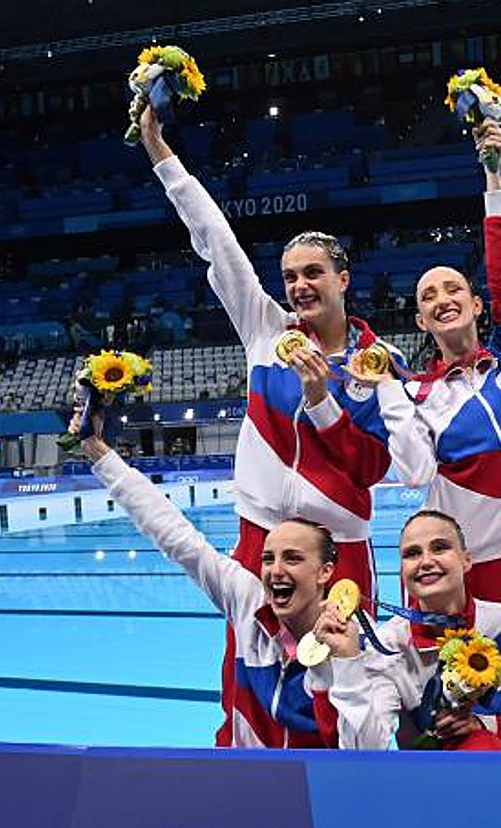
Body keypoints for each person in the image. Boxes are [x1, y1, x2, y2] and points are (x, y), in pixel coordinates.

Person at [137, 106, 419, 744]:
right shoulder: (266, 334)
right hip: (259, 540)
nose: (299, 286)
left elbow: (376, 466)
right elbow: (217, 246)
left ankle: (342, 784)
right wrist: (161, 152)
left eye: (313, 273)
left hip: (340, 551)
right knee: (245, 676)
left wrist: (324, 401)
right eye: (290, 276)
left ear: (343, 279)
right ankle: (241, 769)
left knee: (347, 678)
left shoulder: (380, 364)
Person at [80, 420, 345, 747]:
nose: (275, 570)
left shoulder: (348, 641)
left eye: (292, 558)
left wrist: (335, 666)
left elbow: (359, 746)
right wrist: (98, 453)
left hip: (312, 787)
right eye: (267, 559)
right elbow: (177, 536)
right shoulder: (248, 599)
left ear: (325, 571)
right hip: (241, 777)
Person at [359, 122, 501, 610]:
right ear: (421, 320)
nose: (443, 299)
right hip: (456, 563)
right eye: (429, 296)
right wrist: (388, 388)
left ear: (477, 305)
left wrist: (494, 180)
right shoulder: (418, 393)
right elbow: (414, 472)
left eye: (454, 288)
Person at [308, 509, 501, 751]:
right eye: (412, 553)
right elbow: (364, 750)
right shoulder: (387, 645)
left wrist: (481, 724)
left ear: (466, 560)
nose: (426, 561)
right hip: (424, 779)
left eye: (440, 547)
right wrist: (349, 661)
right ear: (402, 571)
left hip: (497, 778)